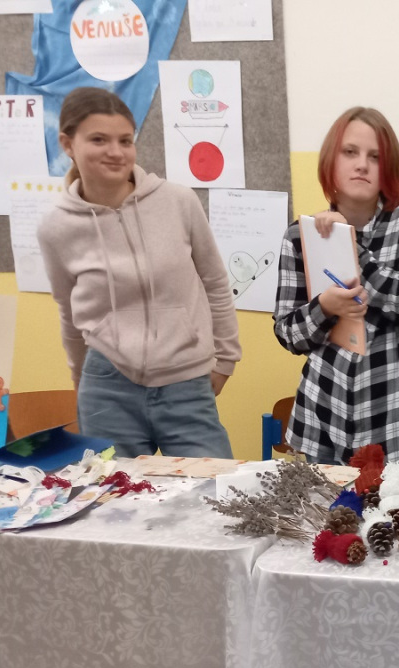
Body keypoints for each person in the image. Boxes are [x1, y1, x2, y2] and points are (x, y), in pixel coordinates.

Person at [38, 87, 240, 459]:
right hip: (107, 387)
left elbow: (214, 282)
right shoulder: (56, 227)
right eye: (99, 139)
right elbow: (68, 313)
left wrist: (226, 359)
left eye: (125, 140)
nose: (116, 152)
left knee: (213, 488)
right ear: (68, 144)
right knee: (112, 493)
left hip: (186, 378)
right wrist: (81, 380)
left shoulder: (178, 201)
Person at [274, 107, 399, 462]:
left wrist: (349, 248)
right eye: (350, 152)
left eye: (375, 157)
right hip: (325, 417)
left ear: (388, 168)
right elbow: (288, 333)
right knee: (326, 500)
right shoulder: (300, 236)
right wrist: (324, 308)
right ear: (331, 162)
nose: (362, 165)